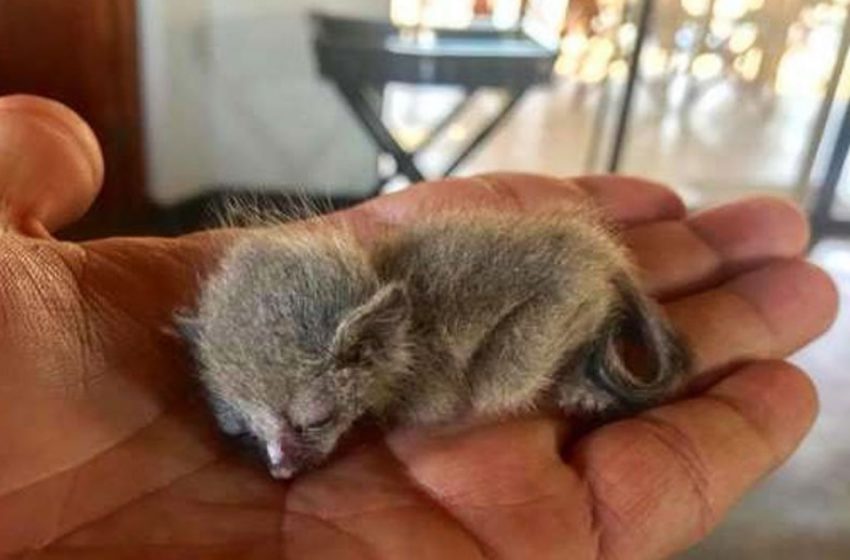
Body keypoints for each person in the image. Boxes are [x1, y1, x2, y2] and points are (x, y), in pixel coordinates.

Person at [0, 95, 837, 559]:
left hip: (551, 287)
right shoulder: (281, 366)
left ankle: (591, 350)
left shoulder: (407, 363)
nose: (278, 456)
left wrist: (587, 339)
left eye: (303, 421)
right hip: (538, 269)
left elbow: (509, 313)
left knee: (492, 385)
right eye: (254, 425)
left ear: (370, 342)